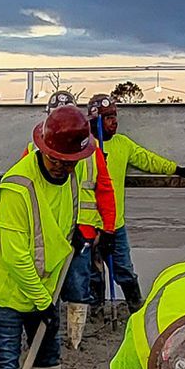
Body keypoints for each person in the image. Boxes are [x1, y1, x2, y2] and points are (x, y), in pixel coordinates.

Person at [0, 105, 94, 369]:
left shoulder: (75, 173)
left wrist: (80, 233)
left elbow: (67, 218)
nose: (62, 167)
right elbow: (16, 257)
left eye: (69, 161)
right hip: (8, 288)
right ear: (42, 149)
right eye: (56, 159)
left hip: (45, 284)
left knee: (47, 353)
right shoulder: (17, 188)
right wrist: (44, 302)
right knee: (5, 358)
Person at [87, 93, 185, 309]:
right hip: (89, 224)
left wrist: (176, 169)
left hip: (115, 225)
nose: (114, 121)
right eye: (108, 117)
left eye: (115, 116)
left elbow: (147, 159)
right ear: (95, 120)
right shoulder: (85, 147)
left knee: (124, 269)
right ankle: (95, 309)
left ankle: (134, 306)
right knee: (92, 273)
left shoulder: (123, 144)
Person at [44, 92, 117, 349]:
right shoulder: (35, 149)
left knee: (77, 286)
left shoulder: (92, 150)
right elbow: (20, 184)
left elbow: (105, 190)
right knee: (43, 286)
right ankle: (45, 334)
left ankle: (74, 340)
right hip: (47, 234)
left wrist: (108, 230)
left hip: (82, 234)